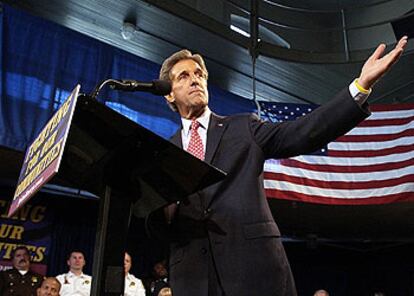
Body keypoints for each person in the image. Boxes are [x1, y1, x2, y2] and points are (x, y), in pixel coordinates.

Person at [147, 36, 408, 296]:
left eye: (199, 74)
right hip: (193, 279)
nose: (195, 79)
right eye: (183, 76)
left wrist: (361, 86)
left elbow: (303, 132)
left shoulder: (243, 128)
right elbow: (155, 219)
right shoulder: (164, 153)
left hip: (253, 271)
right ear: (168, 92)